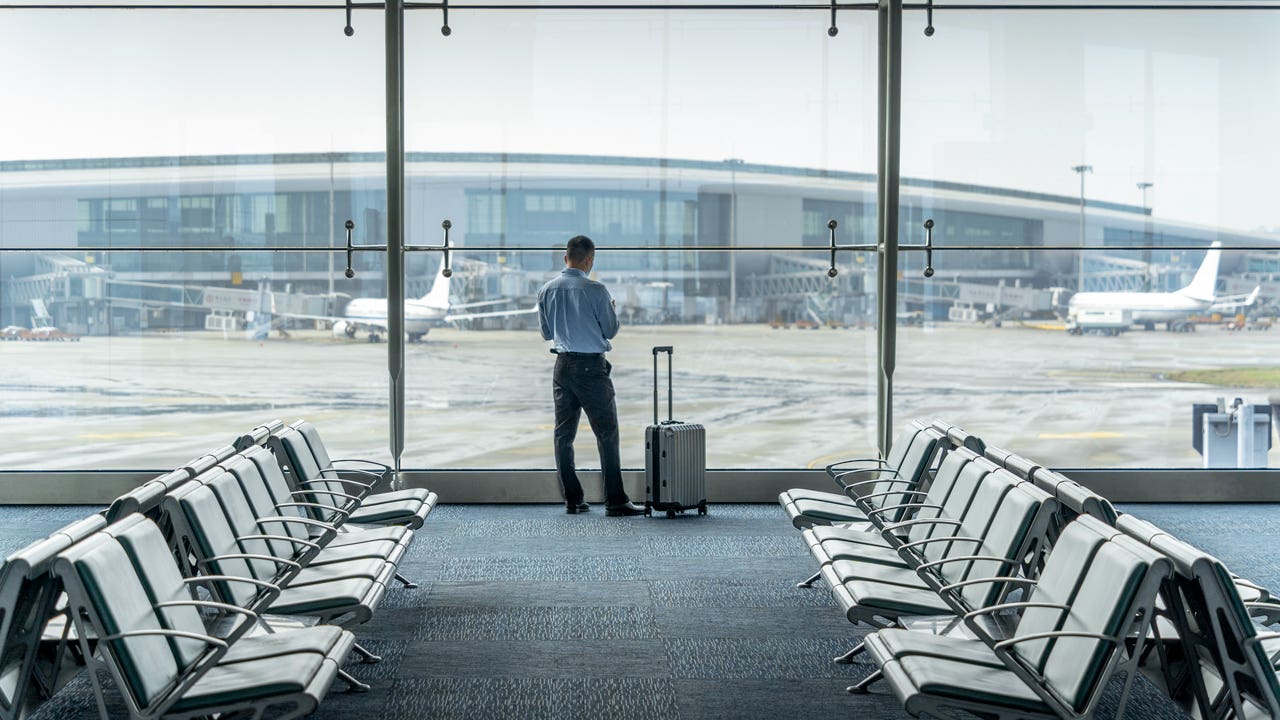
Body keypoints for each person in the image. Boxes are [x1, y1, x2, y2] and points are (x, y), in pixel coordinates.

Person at [537, 235, 644, 517]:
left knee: (563, 435)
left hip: (561, 367)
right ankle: (616, 500)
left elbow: (546, 334)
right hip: (591, 369)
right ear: (589, 260)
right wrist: (612, 310)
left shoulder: (546, 290)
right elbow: (610, 331)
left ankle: (573, 500)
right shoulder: (596, 290)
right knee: (607, 434)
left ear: (565, 258)